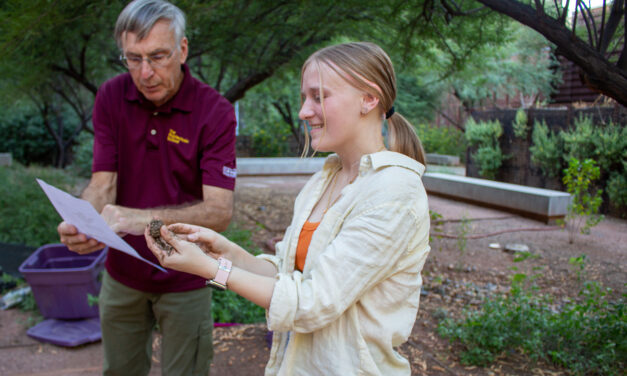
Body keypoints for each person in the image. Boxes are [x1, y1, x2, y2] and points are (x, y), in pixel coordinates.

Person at [146, 41, 430, 375]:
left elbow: (312, 302)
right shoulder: (322, 182)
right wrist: (223, 254)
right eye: (303, 98)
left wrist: (213, 272)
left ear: (369, 98)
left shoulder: (393, 192)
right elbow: (287, 275)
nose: (303, 111)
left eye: (319, 97)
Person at [56, 0, 237, 374]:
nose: (146, 72)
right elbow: (102, 184)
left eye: (158, 56)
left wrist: (138, 220)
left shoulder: (215, 111)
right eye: (133, 58)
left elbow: (220, 211)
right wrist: (81, 218)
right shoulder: (110, 96)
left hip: (188, 275)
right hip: (122, 274)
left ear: (183, 49)